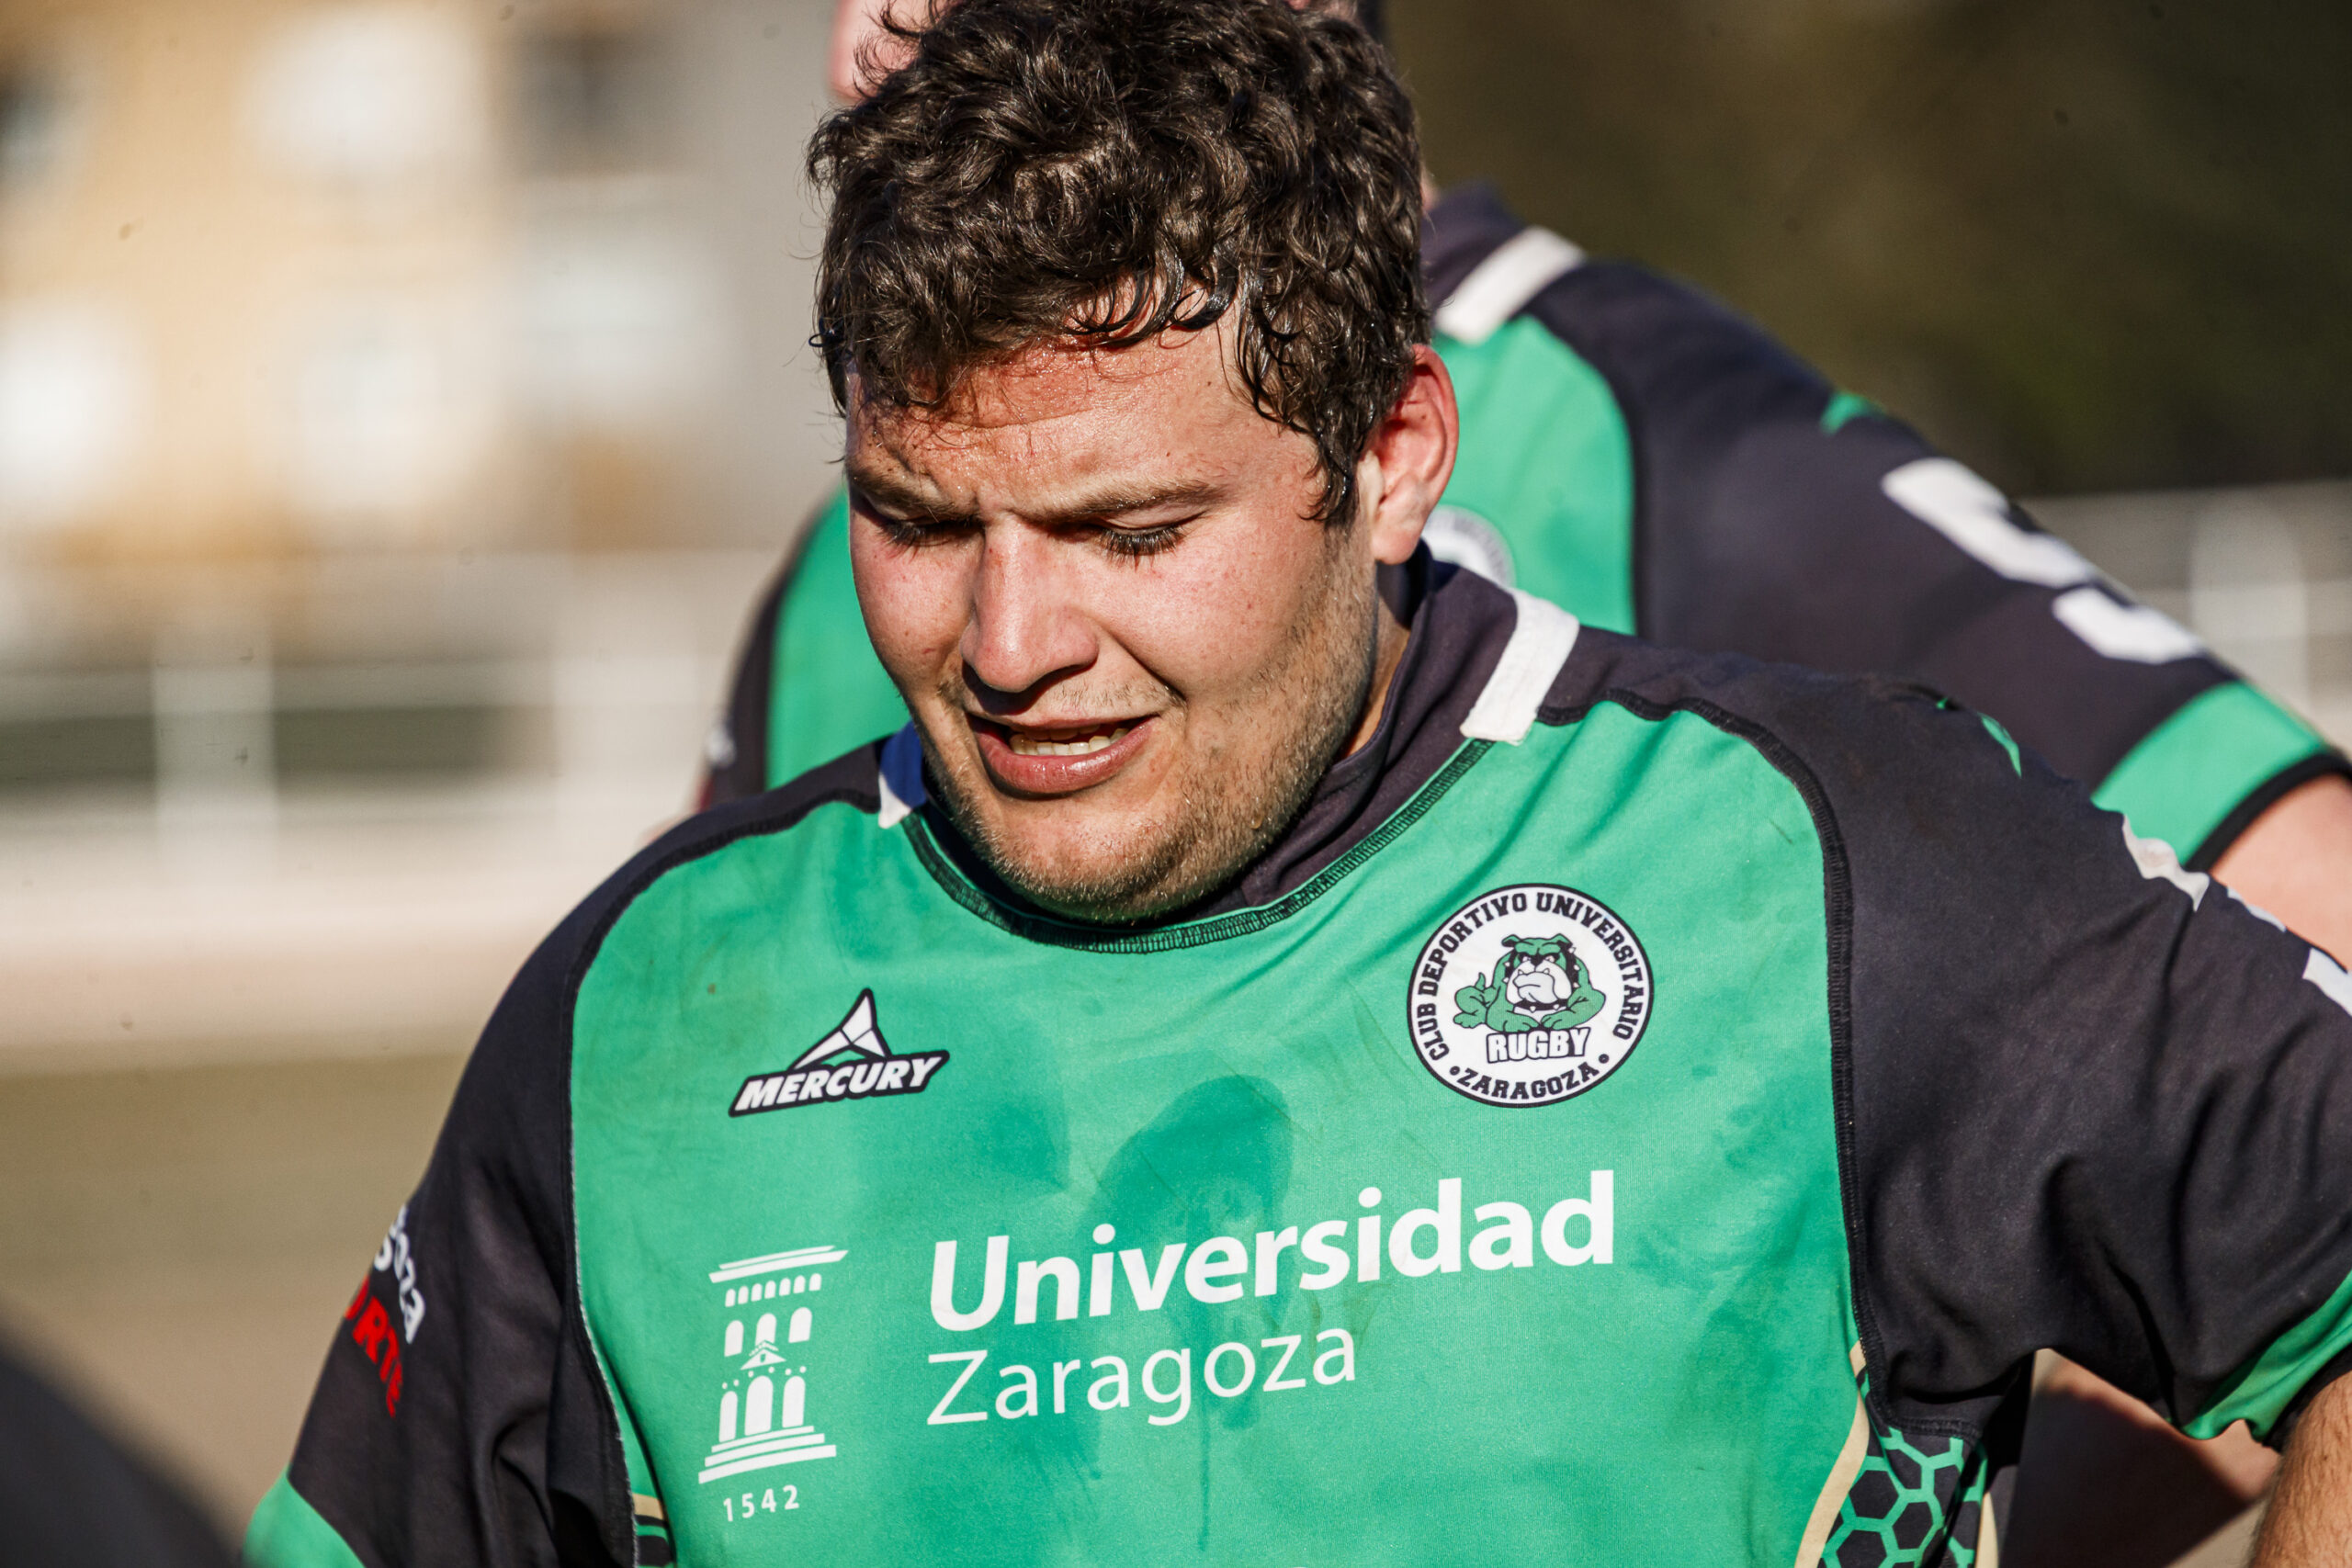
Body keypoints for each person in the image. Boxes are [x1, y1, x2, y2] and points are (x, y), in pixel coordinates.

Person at [251, 2, 2352, 1562]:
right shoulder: (647, 997)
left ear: (1394, 453)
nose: (1007, 644)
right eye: (913, 518)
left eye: (1132, 535)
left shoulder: (1825, 848)